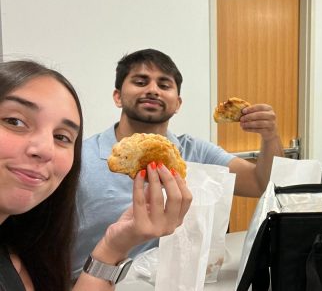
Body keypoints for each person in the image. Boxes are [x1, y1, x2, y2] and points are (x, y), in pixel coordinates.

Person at [72, 48, 284, 277]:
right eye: (140, 81)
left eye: (164, 85)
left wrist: (270, 136)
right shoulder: (79, 157)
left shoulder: (195, 152)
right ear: (117, 96)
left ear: (178, 103)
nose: (153, 90)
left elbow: (261, 184)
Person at [0, 60, 191, 290]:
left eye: (62, 137)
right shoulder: (92, 157)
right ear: (117, 96)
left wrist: (115, 245)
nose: (45, 149)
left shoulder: (23, 245)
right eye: (15, 121)